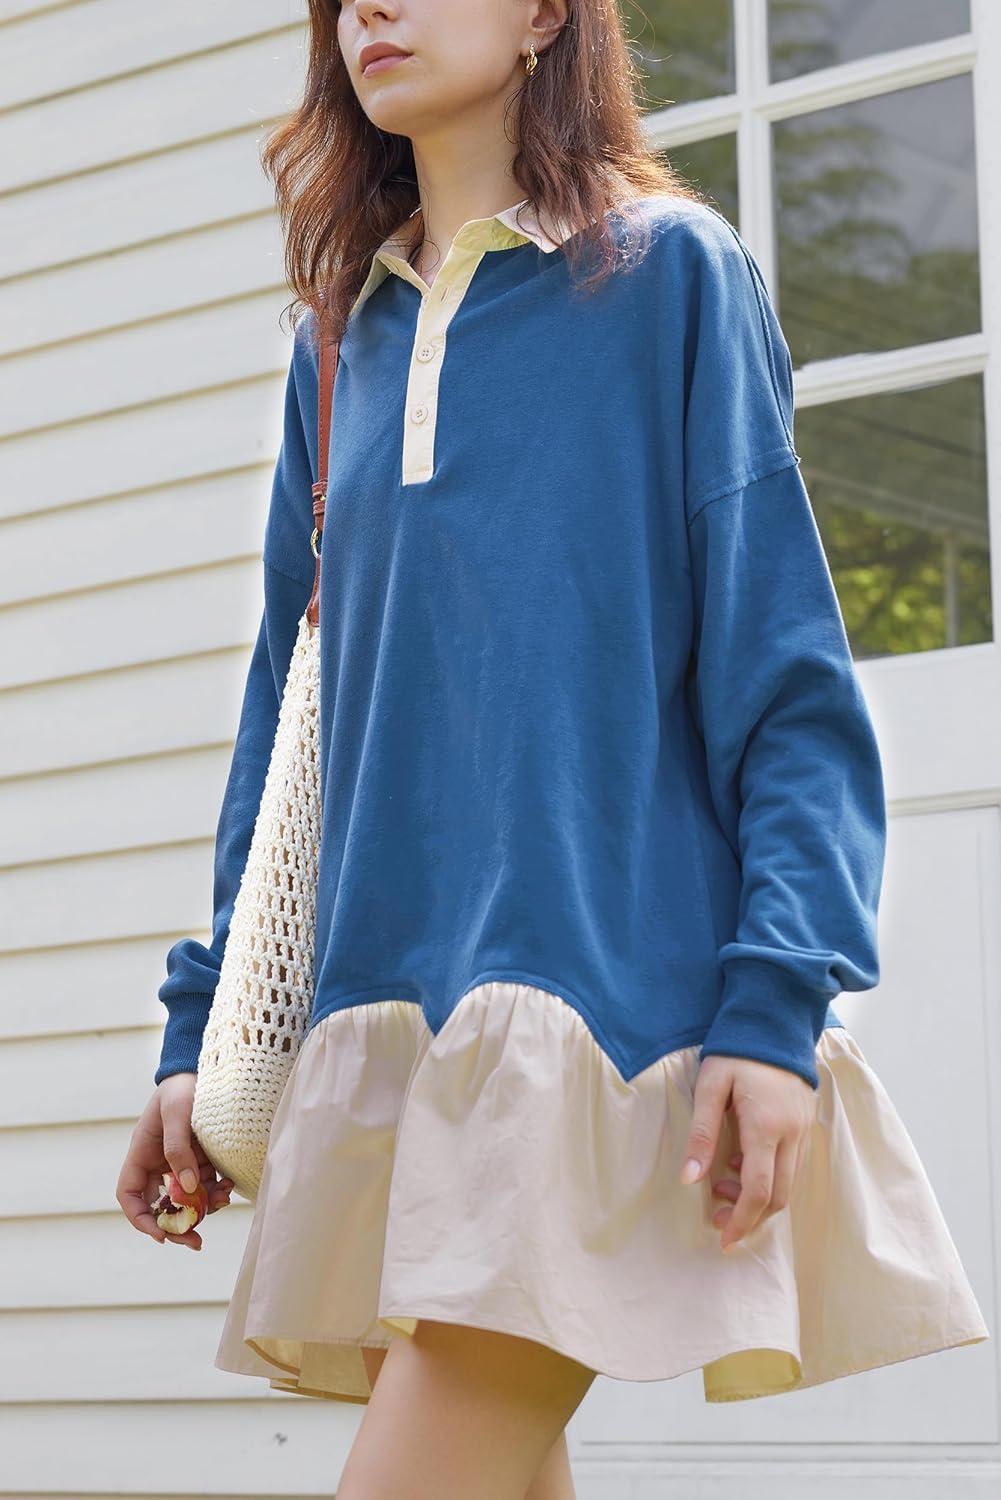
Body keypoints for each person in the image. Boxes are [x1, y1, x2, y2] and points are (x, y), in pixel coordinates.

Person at [116, 3, 990, 1497]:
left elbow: (785, 678)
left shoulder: (669, 278)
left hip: (602, 1024)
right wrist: (200, 1031)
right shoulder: (338, 345)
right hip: (386, 1033)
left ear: (542, 14)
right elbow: (289, 714)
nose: (369, 9)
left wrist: (777, 1004)